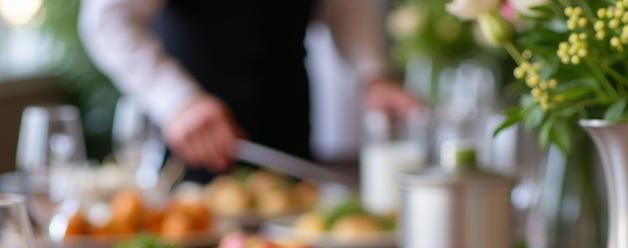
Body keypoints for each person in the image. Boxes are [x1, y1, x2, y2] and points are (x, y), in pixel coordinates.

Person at [79, 0, 418, 173]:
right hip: (195, 154)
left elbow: (347, 7)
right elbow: (106, 20)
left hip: (289, 132)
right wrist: (178, 101)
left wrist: (373, 75)